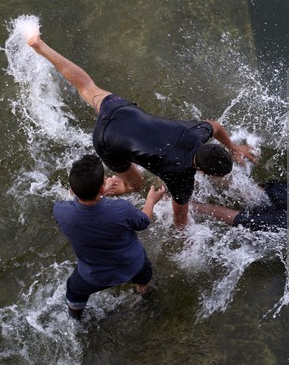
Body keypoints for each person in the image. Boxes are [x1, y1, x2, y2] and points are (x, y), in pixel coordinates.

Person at [27, 34, 255, 229]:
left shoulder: (196, 133)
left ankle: (40, 46)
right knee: (135, 186)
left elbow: (215, 125)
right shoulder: (181, 177)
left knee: (86, 86)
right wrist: (185, 239)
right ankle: (105, 187)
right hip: (107, 140)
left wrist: (234, 148)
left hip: (120, 110)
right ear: (202, 171)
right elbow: (180, 218)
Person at [54, 154, 166, 319]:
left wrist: (100, 193)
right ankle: (147, 302)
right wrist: (151, 200)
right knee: (144, 278)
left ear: (72, 189)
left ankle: (76, 319)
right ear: (100, 188)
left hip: (92, 276)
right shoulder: (121, 209)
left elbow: (86, 211)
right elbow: (143, 222)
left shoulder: (60, 211)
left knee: (74, 292)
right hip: (132, 266)